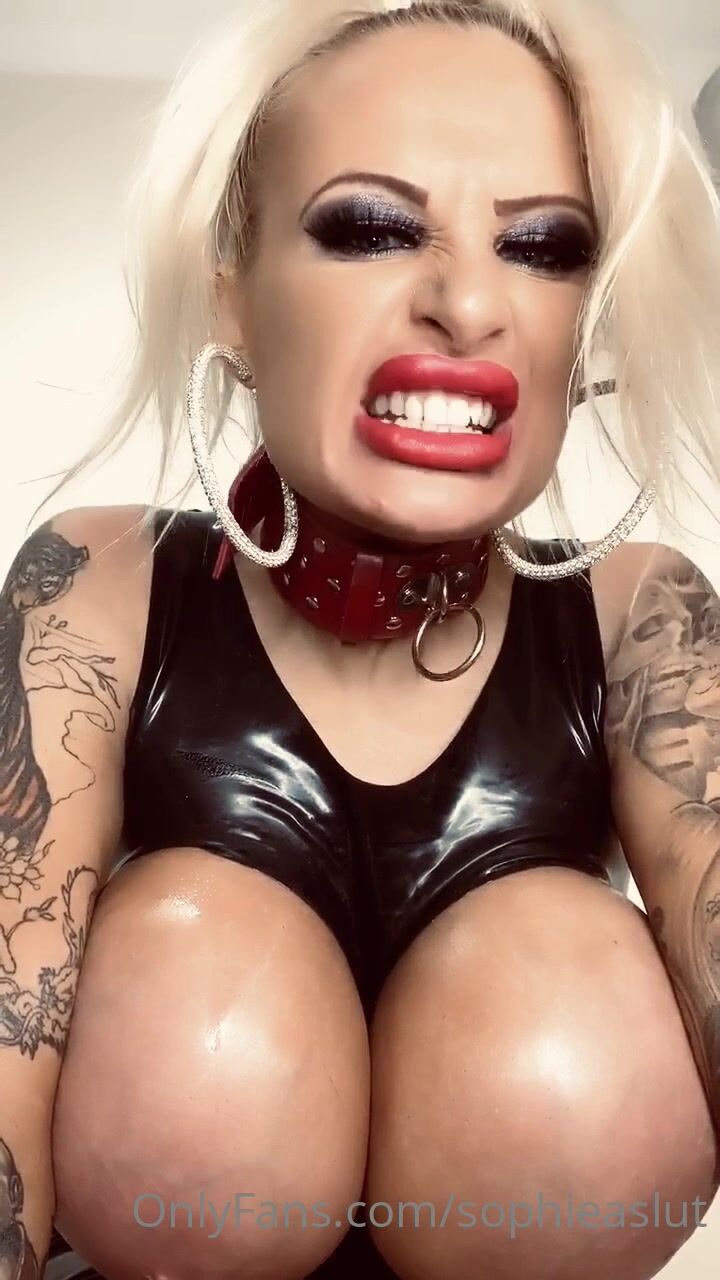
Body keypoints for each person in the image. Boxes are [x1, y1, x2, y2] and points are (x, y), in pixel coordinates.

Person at [2, 0, 720, 1277]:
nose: (468, 303)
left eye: (543, 247)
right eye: (371, 228)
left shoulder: (643, 614)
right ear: (231, 295)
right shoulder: (94, 586)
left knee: (563, 977)